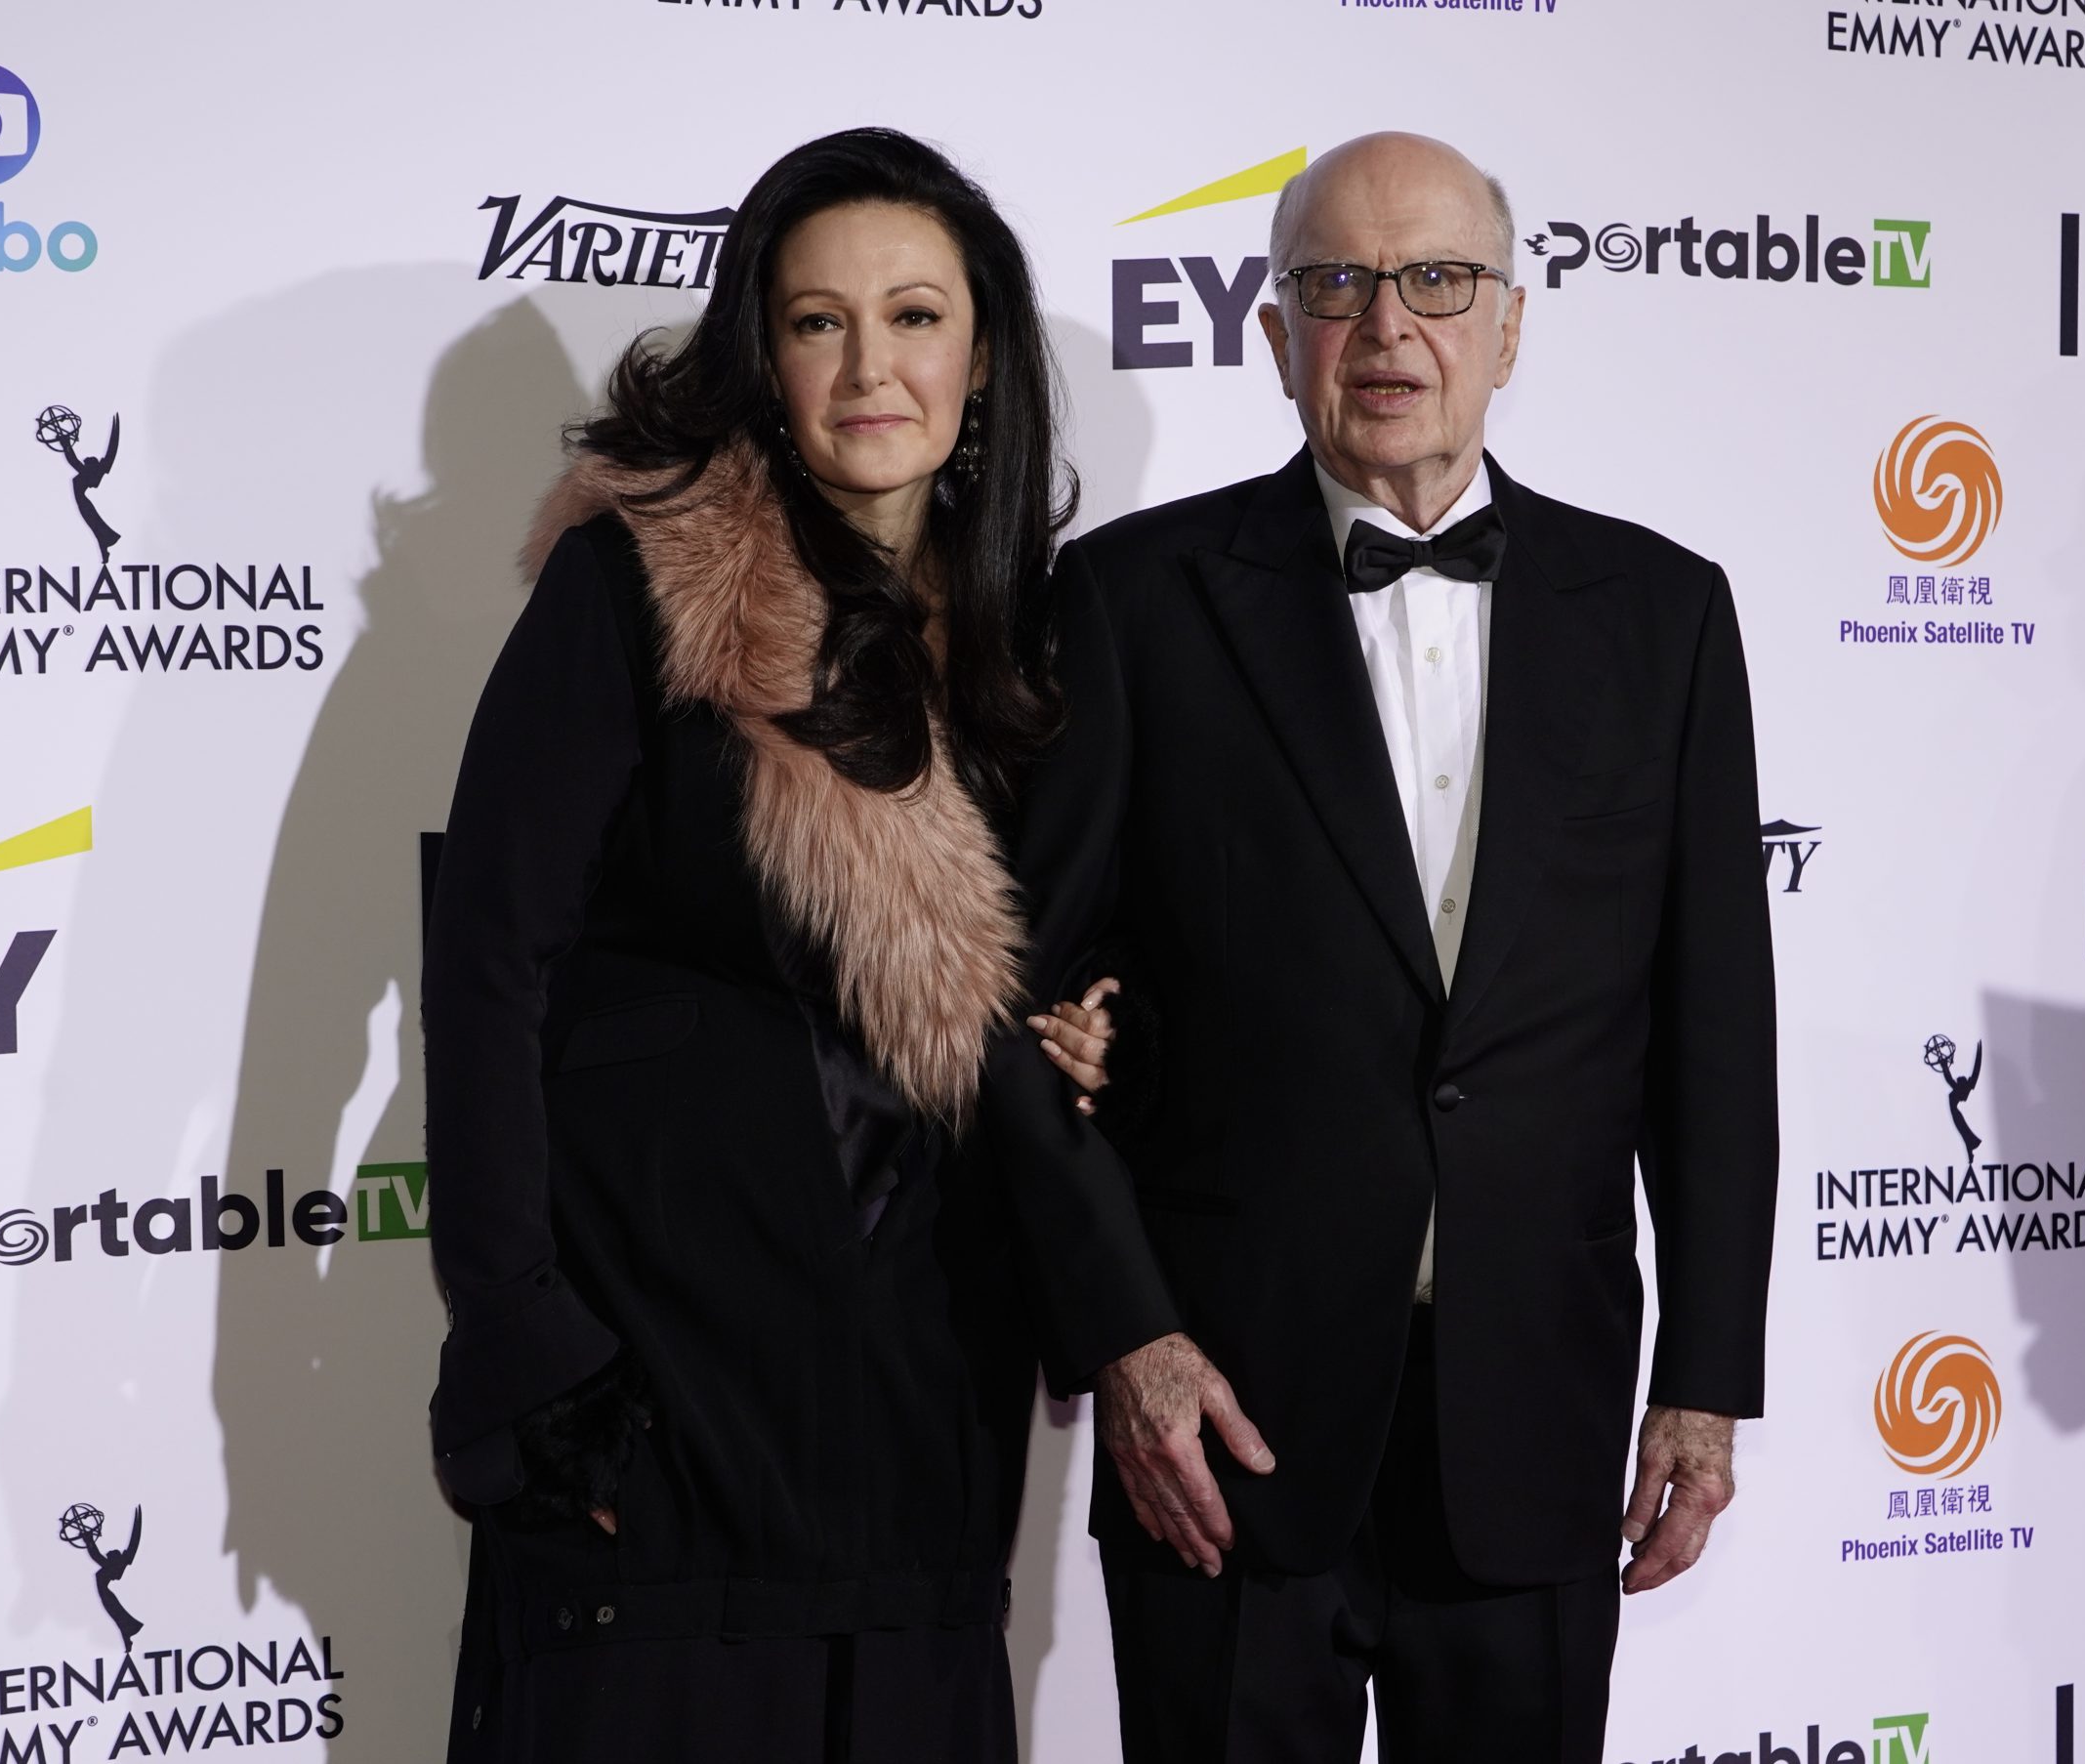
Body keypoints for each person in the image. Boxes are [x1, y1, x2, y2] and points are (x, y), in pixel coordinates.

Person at [984, 132, 1780, 1762]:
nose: (1388, 326)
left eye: (1437, 280)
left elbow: (1713, 1033)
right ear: (1274, 338)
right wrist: (1127, 1340)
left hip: (1536, 1418)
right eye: (1335, 286)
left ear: (1508, 326)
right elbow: (1006, 1008)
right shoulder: (1132, 600)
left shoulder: (1665, 613)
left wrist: (1705, 1377)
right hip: (1221, 1423)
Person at [422, 127, 1107, 1764]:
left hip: (920, 1408)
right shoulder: (634, 586)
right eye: (819, 321)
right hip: (663, 1407)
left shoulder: (1038, 645)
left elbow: (1046, 976)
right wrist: (524, 1338)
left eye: (916, 316)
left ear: (985, 354)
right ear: (763, 353)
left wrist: (1089, 1036)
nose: (871, 365)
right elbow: (487, 962)